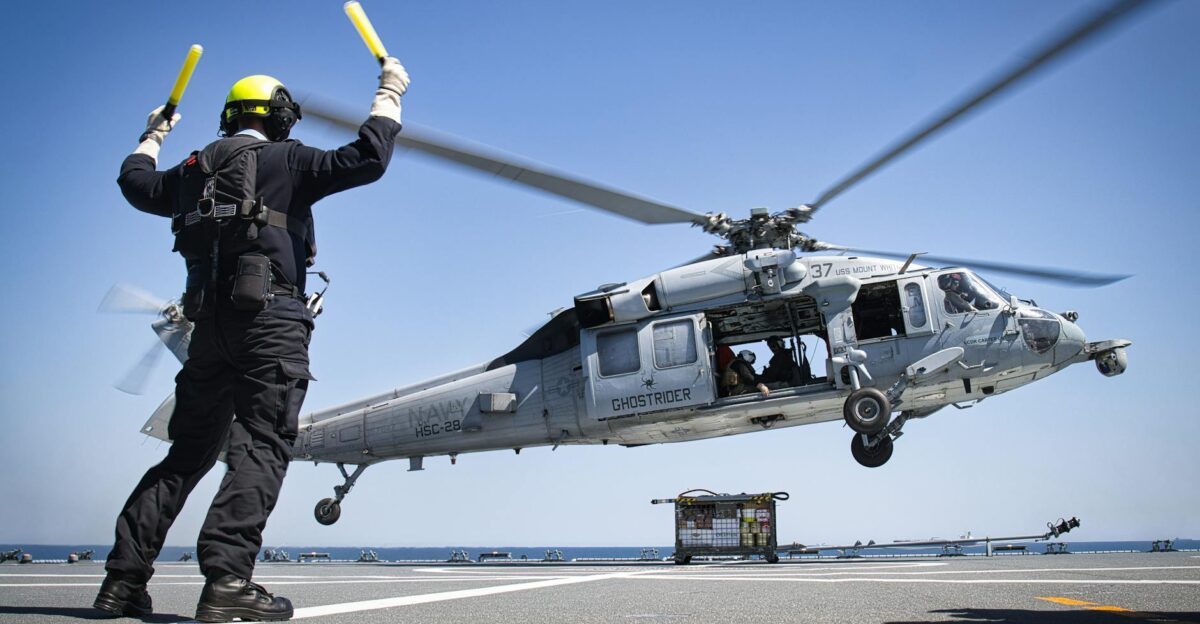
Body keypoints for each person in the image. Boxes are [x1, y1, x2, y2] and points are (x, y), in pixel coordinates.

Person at [94, 59, 409, 622]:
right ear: (282, 118)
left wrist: (153, 134)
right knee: (261, 445)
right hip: (271, 324)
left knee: (185, 454)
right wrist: (389, 92)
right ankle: (227, 581)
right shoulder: (289, 160)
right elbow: (368, 157)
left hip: (207, 330)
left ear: (230, 117)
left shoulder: (190, 172)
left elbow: (135, 182)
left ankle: (122, 580)